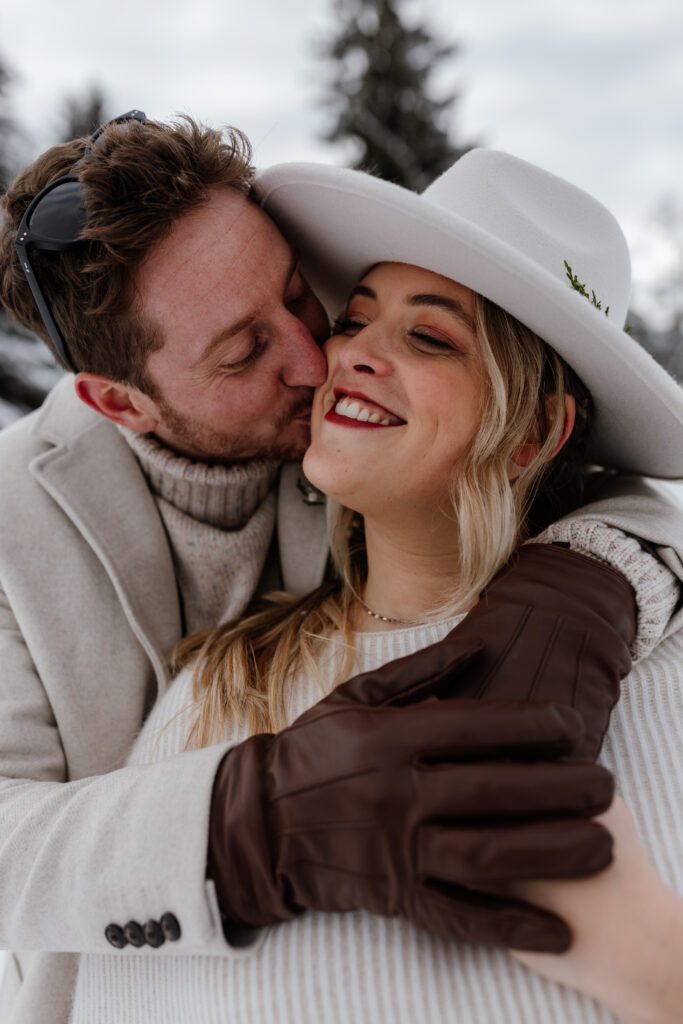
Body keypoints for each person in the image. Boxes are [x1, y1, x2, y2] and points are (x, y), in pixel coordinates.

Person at [0, 114, 679, 1023]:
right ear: (119, 404)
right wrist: (255, 820)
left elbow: (594, 477)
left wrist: (588, 583)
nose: (319, 357)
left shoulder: (620, 631)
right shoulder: (54, 560)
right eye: (244, 350)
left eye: (301, 295)